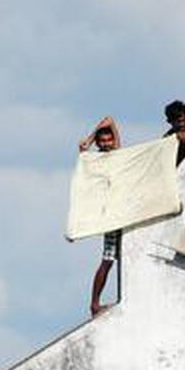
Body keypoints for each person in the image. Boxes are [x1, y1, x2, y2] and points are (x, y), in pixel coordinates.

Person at [79, 117, 122, 317]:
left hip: (123, 213)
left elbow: (109, 120)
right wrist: (88, 143)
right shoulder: (93, 160)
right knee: (108, 260)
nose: (106, 144)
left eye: (108, 140)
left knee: (124, 257)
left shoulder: (118, 155)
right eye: (102, 141)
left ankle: (123, 298)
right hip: (110, 215)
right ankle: (94, 304)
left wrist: (91, 136)